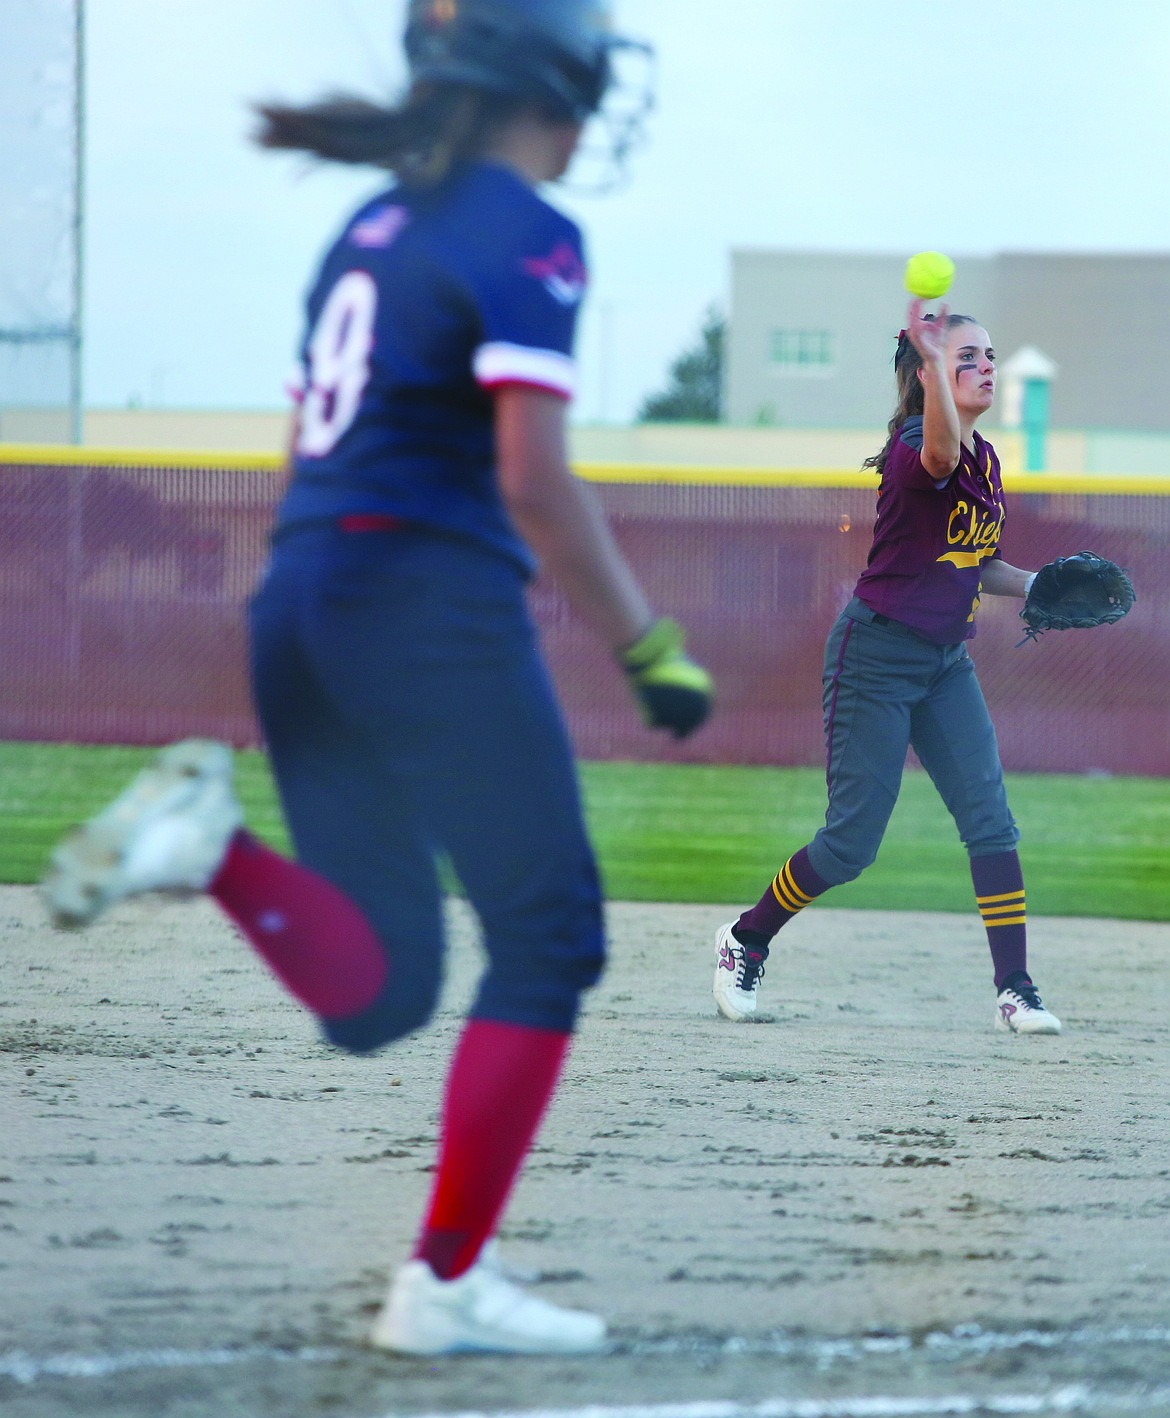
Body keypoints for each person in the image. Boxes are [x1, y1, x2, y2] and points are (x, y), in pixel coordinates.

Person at [41, 0, 712, 1356]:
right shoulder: (529, 229)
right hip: (421, 602)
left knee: (382, 991)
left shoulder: (363, 232)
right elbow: (532, 476)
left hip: (300, 599)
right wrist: (645, 644)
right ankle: (447, 1281)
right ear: (556, 85)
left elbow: (310, 456)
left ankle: (210, 845)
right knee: (549, 934)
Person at [713, 298, 1060, 1036]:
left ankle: (1017, 990)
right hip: (874, 655)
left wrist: (1036, 586)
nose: (986, 366)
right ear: (927, 373)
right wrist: (936, 366)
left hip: (943, 663)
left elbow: (974, 561)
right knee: (850, 845)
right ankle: (745, 939)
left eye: (989, 355)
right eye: (966, 356)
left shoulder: (989, 459)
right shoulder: (915, 446)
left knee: (991, 822)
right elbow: (938, 458)